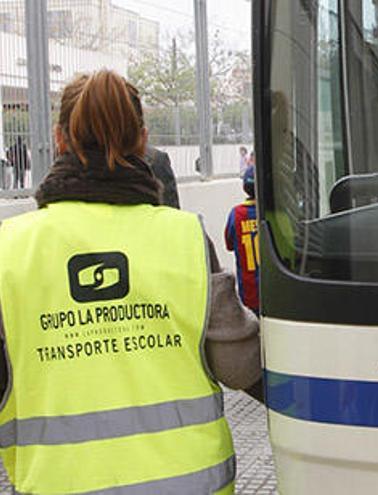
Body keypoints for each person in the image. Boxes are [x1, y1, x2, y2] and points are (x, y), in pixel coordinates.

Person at [0, 71, 261, 494]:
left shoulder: (9, 250)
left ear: (60, 139)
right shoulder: (186, 238)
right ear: (141, 140)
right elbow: (240, 365)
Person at [225, 165, 260, 313]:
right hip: (275, 292)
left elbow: (229, 244)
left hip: (249, 293)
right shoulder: (275, 214)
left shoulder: (236, 214)